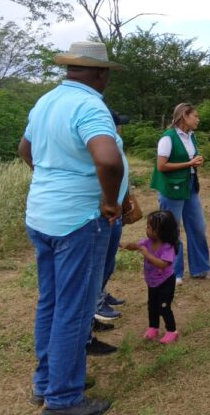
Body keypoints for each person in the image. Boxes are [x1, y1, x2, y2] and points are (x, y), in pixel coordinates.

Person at [18, 41, 124, 415]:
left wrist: (53, 182)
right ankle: (62, 400)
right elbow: (109, 160)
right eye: (106, 72)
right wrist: (110, 202)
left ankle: (45, 382)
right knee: (74, 310)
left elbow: (25, 150)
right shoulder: (90, 105)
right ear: (99, 73)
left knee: (50, 302)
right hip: (79, 222)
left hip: (42, 216)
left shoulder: (47, 101)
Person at [150, 103, 210, 285]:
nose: (198, 119)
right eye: (195, 116)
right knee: (172, 230)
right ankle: (173, 272)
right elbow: (161, 166)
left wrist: (195, 163)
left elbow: (189, 159)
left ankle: (201, 268)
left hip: (189, 186)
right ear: (184, 116)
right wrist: (189, 164)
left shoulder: (191, 136)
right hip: (171, 188)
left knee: (198, 226)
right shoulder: (167, 139)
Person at [121, 210, 180, 345]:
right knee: (152, 306)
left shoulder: (167, 247)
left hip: (165, 282)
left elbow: (163, 264)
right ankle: (153, 327)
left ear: (158, 231)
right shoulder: (147, 242)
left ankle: (172, 330)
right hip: (152, 282)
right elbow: (136, 245)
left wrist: (147, 254)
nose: (146, 229)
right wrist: (125, 245)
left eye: (148, 227)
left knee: (164, 307)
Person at [94, 111, 130, 324]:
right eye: (119, 124)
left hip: (114, 206)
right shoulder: (104, 142)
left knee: (109, 258)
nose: (120, 127)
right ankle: (96, 303)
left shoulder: (114, 141)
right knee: (101, 260)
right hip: (106, 209)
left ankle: (101, 293)